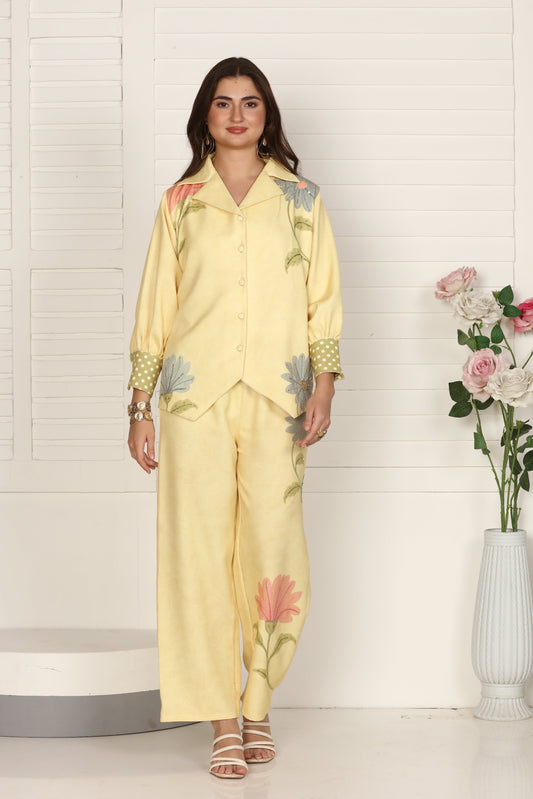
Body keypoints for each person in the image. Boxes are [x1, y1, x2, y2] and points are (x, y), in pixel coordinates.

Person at [126, 56, 344, 779]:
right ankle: (222, 716)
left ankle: (257, 700)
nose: (238, 114)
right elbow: (156, 306)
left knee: (274, 548)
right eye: (223, 103)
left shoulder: (303, 200)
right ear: (206, 117)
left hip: (279, 398)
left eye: (250, 102)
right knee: (196, 553)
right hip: (193, 399)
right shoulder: (180, 202)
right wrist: (139, 405)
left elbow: (322, 298)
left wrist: (324, 385)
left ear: (266, 114)